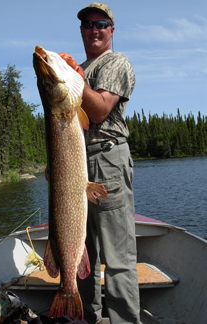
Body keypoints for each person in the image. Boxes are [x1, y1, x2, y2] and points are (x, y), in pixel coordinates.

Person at [76, 3, 141, 324]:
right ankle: (89, 317)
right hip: (76, 165)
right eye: (87, 24)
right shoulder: (78, 69)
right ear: (82, 31)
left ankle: (125, 320)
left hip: (107, 159)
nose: (94, 29)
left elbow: (99, 109)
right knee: (80, 250)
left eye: (101, 23)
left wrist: (74, 79)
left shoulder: (115, 62)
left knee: (117, 257)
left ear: (111, 30)